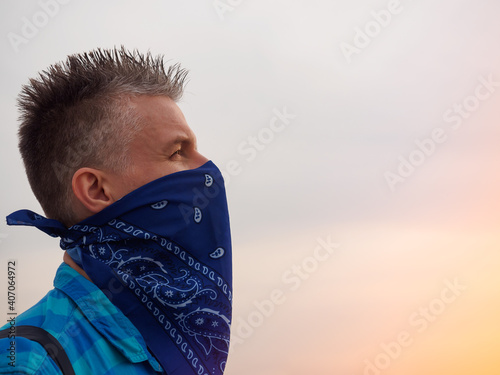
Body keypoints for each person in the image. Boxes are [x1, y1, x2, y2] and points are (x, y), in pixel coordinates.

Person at [0, 47, 233, 375]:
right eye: (177, 152)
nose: (207, 168)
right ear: (96, 190)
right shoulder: (30, 364)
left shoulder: (170, 341)